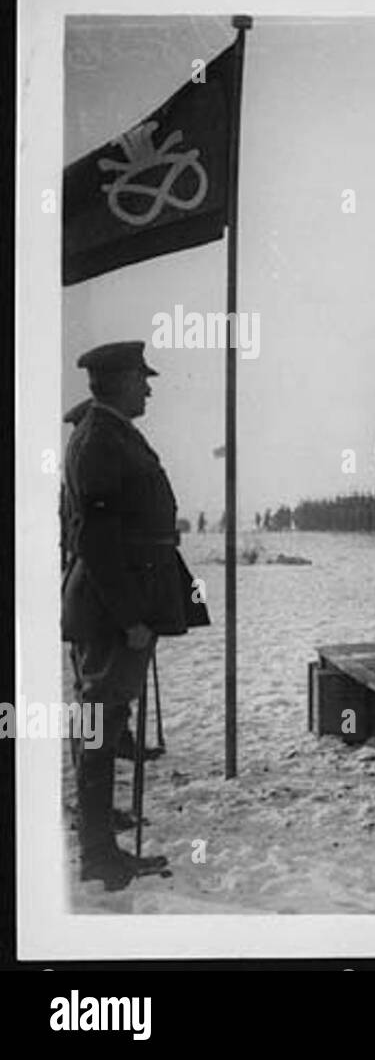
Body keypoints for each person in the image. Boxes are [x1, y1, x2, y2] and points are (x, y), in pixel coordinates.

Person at [62, 341, 210, 891]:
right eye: (141, 379)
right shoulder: (101, 438)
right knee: (100, 724)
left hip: (114, 600)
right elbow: (96, 539)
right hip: (109, 607)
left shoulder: (110, 432)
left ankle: (99, 841)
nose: (148, 387)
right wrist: (129, 616)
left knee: (102, 721)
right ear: (120, 380)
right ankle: (98, 854)